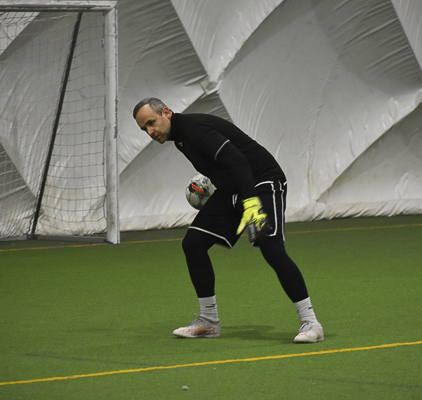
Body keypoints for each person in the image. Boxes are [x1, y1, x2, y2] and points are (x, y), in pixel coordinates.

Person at [133, 97, 323, 343]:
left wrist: (251, 203)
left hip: (262, 181)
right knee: (193, 243)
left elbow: (237, 159)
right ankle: (209, 321)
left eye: (151, 122)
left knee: (271, 248)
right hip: (232, 188)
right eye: (144, 129)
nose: (150, 132)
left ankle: (311, 323)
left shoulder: (194, 129)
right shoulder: (179, 138)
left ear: (166, 113)